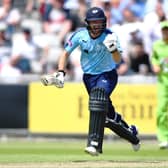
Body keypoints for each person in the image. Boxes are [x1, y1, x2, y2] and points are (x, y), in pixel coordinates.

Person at [41, 7, 140, 156]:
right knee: (107, 116)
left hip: (107, 75)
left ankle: (94, 144)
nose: (96, 25)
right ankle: (132, 135)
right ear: (88, 23)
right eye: (93, 22)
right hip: (89, 77)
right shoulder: (80, 36)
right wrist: (61, 72)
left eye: (99, 22)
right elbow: (65, 53)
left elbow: (118, 60)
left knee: (97, 98)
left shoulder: (110, 36)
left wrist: (113, 49)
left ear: (104, 23)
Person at [151, 20, 168, 149]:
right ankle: (163, 138)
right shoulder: (157, 45)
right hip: (163, 82)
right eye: (164, 30)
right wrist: (155, 65)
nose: (166, 32)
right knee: (161, 111)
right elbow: (154, 58)